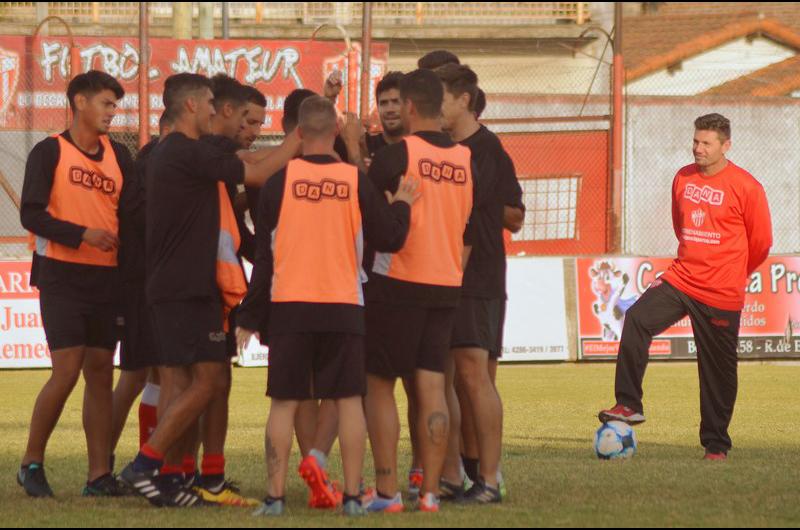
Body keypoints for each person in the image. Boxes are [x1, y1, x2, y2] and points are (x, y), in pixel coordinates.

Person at [120, 73, 300, 507]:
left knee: (180, 383)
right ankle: (146, 464)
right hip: (189, 287)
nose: (213, 110)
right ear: (191, 107)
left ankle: (171, 477)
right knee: (210, 379)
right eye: (208, 103)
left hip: (171, 285)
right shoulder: (185, 150)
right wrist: (303, 135)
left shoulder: (173, 153)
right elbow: (256, 172)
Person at [236, 96, 417, 517]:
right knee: (349, 400)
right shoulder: (355, 180)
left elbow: (263, 258)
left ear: (298, 134)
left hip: (290, 307)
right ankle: (353, 497)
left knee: (283, 402)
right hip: (343, 305)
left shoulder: (278, 183)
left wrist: (249, 313)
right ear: (335, 134)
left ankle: (274, 498)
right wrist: (404, 203)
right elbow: (389, 237)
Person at [599, 113, 772, 461]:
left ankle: (716, 445)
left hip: (722, 292)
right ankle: (629, 404)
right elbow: (681, 226)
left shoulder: (747, 186)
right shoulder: (682, 177)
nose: (698, 149)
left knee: (717, 373)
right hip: (683, 279)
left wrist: (735, 272)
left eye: (706, 143)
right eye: (696, 141)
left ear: (726, 145)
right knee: (637, 319)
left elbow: (761, 242)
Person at [363, 69, 478, 513]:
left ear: (409, 107)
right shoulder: (468, 159)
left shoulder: (399, 155)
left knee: (378, 384)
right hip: (445, 283)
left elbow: (371, 213)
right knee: (433, 387)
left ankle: (388, 491)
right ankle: (430, 492)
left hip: (398, 279)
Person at [18, 70, 131, 498]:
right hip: (62, 275)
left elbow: (131, 213)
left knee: (101, 373)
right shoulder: (49, 151)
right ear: (80, 103)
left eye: (114, 105)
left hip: (108, 278)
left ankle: (98, 475)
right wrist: (82, 234)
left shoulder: (120, 156)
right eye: (106, 103)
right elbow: (31, 214)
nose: (111, 112)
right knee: (66, 371)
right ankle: (31, 463)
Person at [438, 63, 524, 503]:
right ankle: (460, 475)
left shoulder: (486, 150)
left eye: (441, 97)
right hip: (443, 276)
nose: (434, 106)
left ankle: (489, 479)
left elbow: (511, 215)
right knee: (451, 380)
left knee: (474, 376)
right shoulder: (440, 148)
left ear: (463, 100)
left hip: (477, 276)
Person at [111, 110, 176, 468]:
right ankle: (117, 464)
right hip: (146, 283)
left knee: (146, 375)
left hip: (145, 281)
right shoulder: (156, 162)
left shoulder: (149, 161)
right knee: (147, 373)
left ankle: (125, 460)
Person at [363, 72, 406, 162]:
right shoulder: (366, 145)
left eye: (396, 102)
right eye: (384, 103)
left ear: (409, 105)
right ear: (377, 107)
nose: (390, 109)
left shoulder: (422, 149)